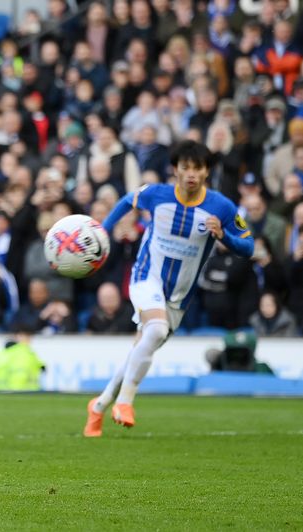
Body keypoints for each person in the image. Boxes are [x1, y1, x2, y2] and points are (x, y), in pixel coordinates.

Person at [83, 140, 255, 438]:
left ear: (206, 172)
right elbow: (127, 200)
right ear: (175, 169)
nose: (190, 174)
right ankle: (124, 402)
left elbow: (248, 246)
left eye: (197, 168)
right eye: (185, 167)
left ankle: (98, 406)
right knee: (157, 329)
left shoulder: (221, 207)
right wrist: (103, 231)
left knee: (143, 345)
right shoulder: (157, 195)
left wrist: (224, 235)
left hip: (179, 296)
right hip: (146, 276)